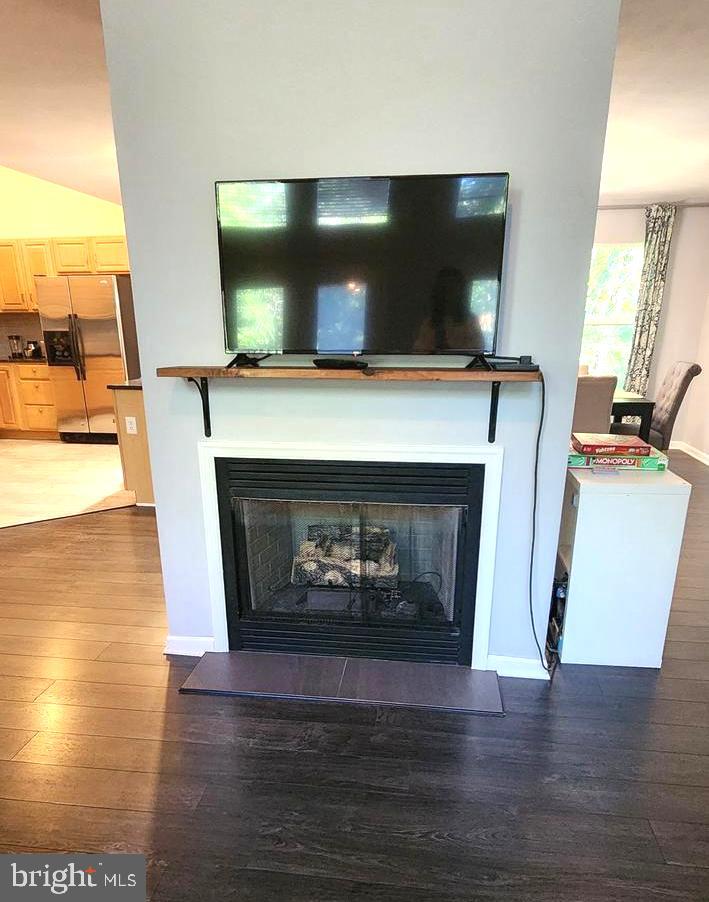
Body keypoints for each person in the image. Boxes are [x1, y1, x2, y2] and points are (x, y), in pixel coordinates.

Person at [414, 267, 484, 352]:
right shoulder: (429, 324)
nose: (448, 295)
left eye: (453, 289)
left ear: (460, 292)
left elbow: (477, 352)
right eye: (444, 289)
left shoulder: (470, 322)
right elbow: (419, 353)